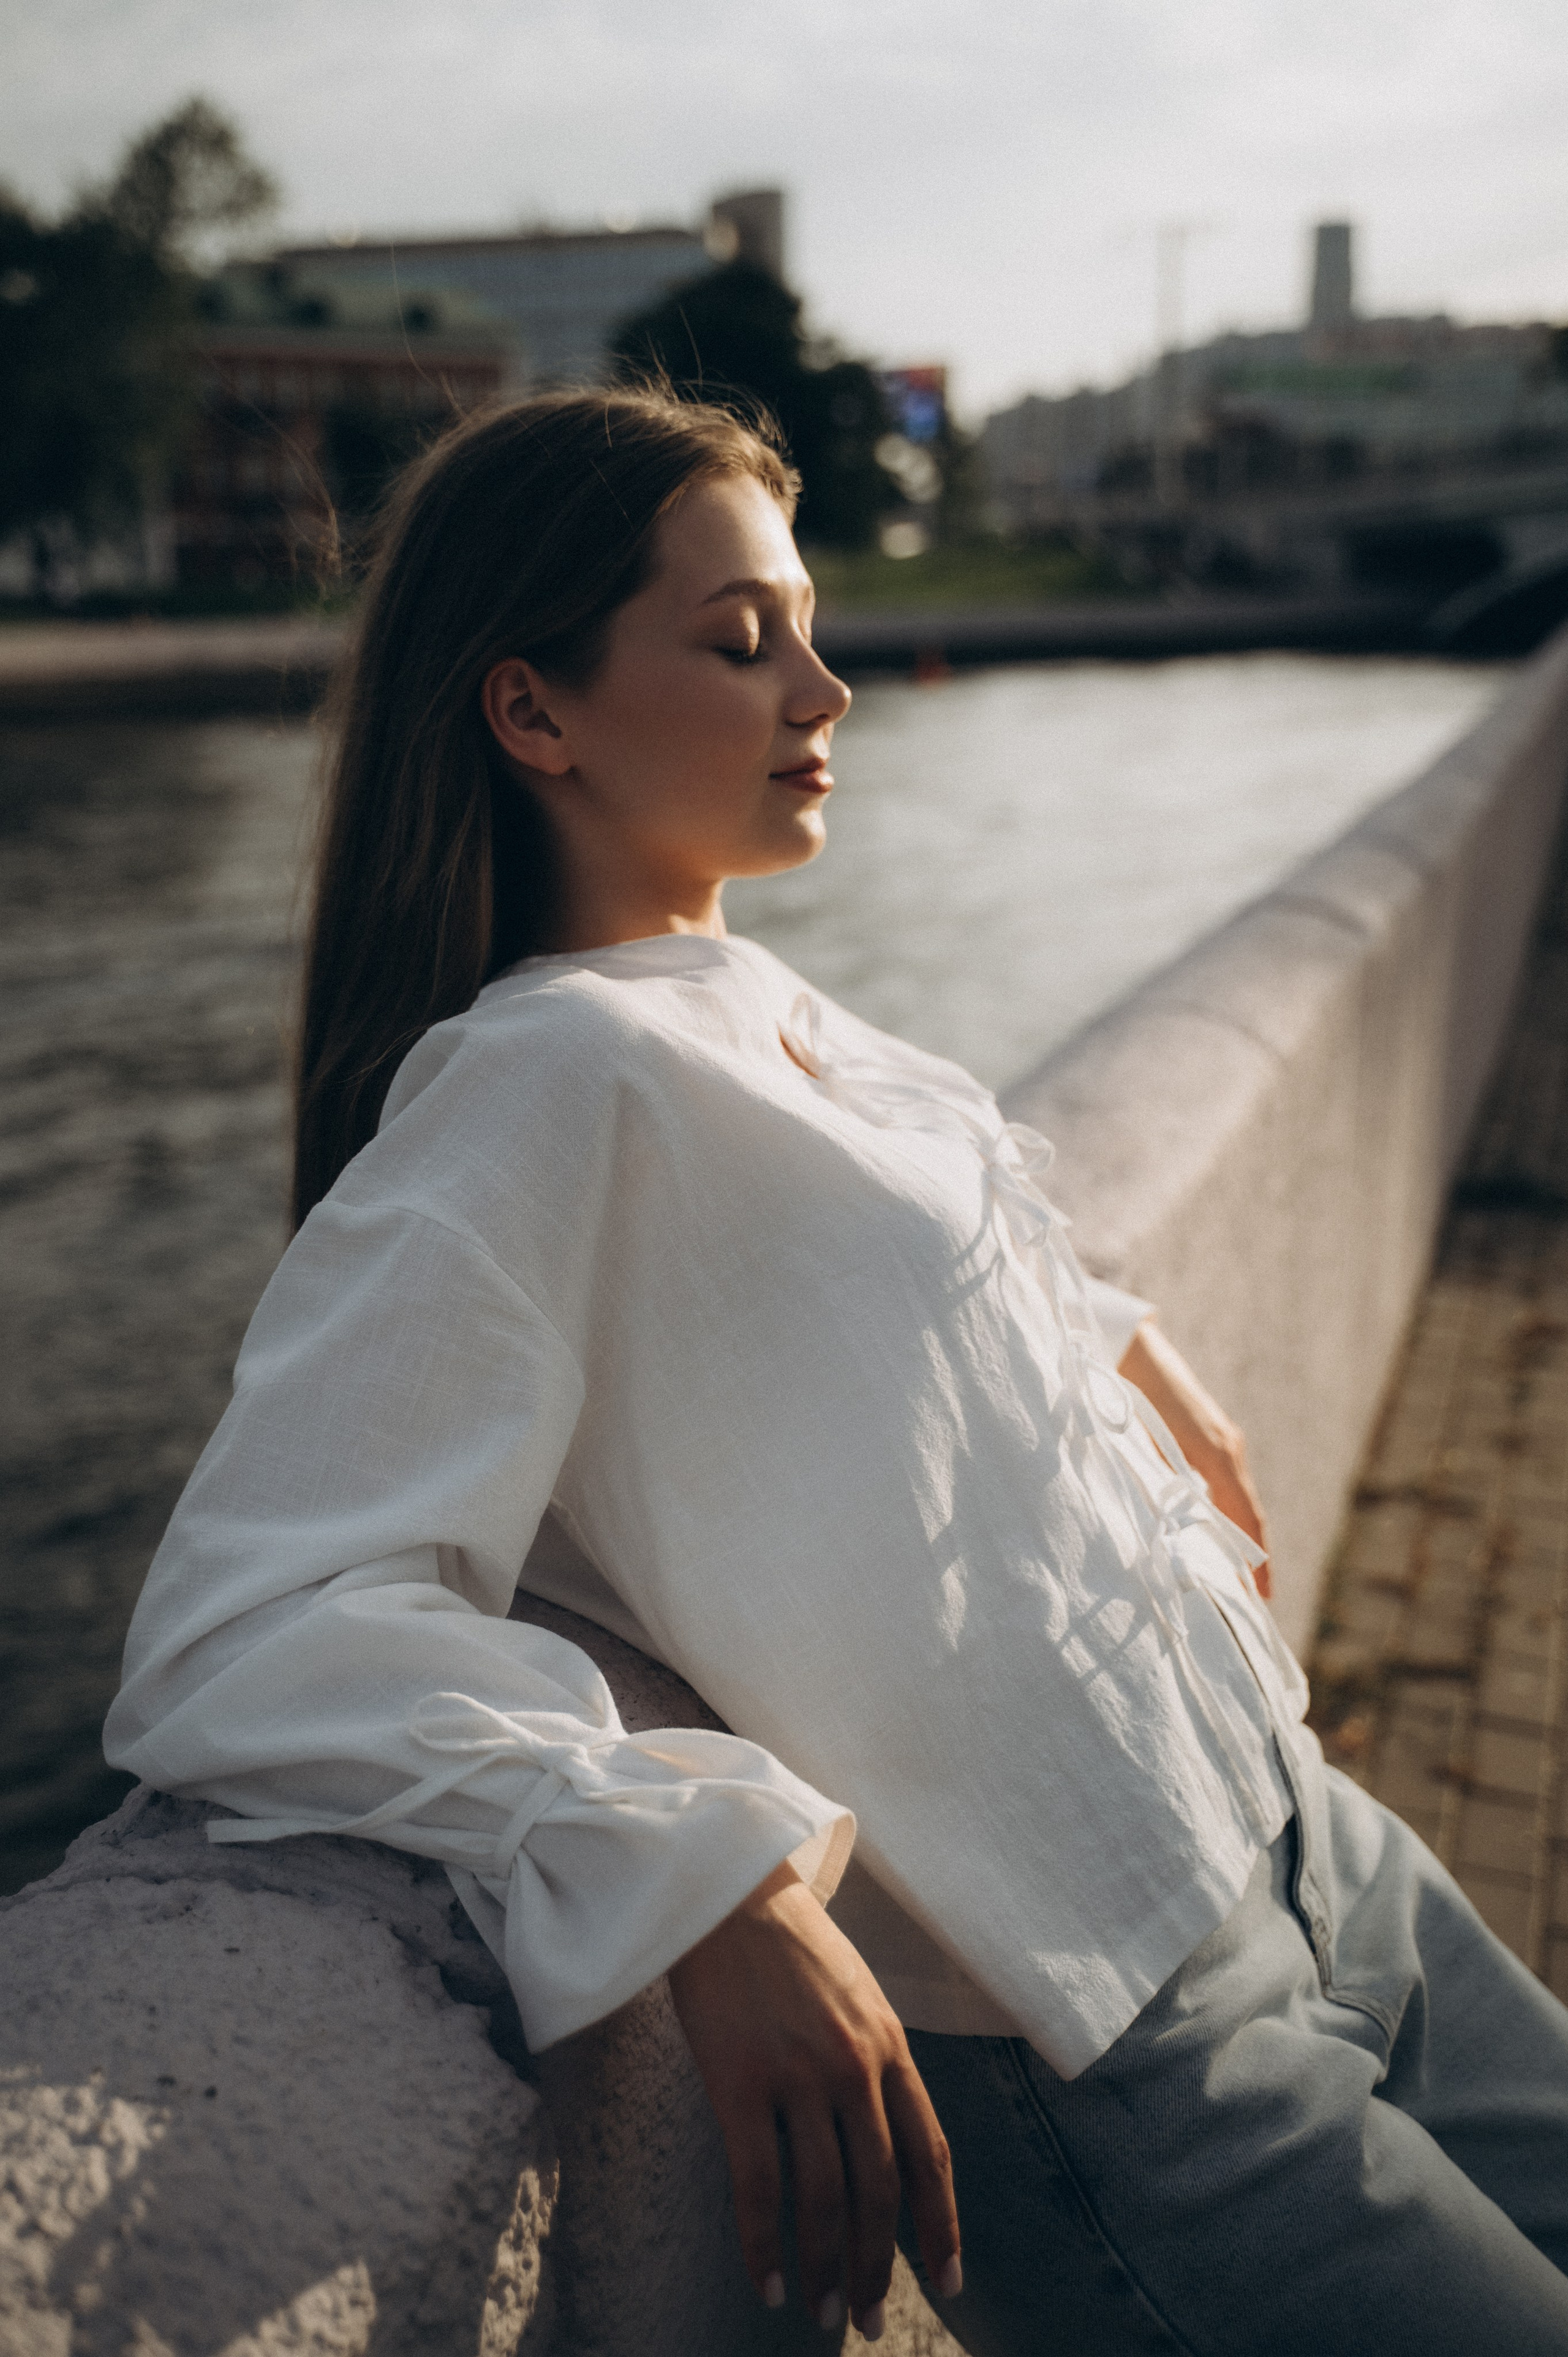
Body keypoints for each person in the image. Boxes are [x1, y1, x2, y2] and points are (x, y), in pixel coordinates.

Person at [107, 389, 1568, 2353]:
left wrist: (1098, 1333)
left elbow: (841, 1274)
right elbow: (245, 1625)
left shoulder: (734, 999)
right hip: (1117, 2056)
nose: (827, 686)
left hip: (1313, 1845)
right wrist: (691, 1875)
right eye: (739, 642)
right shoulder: (534, 1087)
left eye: (805, 624)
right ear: (532, 711)